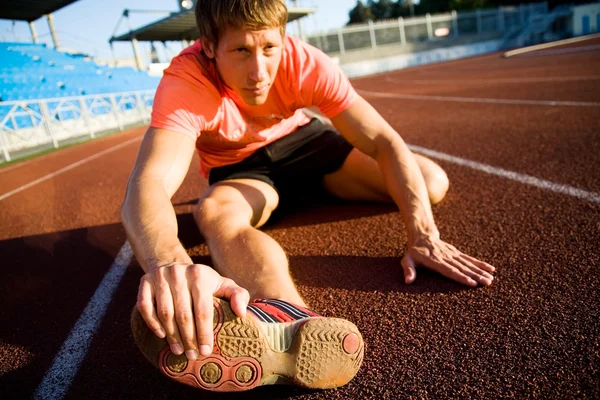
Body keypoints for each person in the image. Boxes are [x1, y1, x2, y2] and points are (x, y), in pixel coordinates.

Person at [121, 0, 495, 392]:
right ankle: (286, 322)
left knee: (431, 181)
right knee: (215, 212)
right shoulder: (188, 80)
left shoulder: (306, 63)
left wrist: (424, 235)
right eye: (241, 51)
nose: (259, 71)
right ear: (209, 46)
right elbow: (147, 185)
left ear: (284, 37)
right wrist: (170, 264)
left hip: (306, 146)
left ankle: (318, 191)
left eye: (269, 48)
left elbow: (384, 140)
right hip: (242, 168)